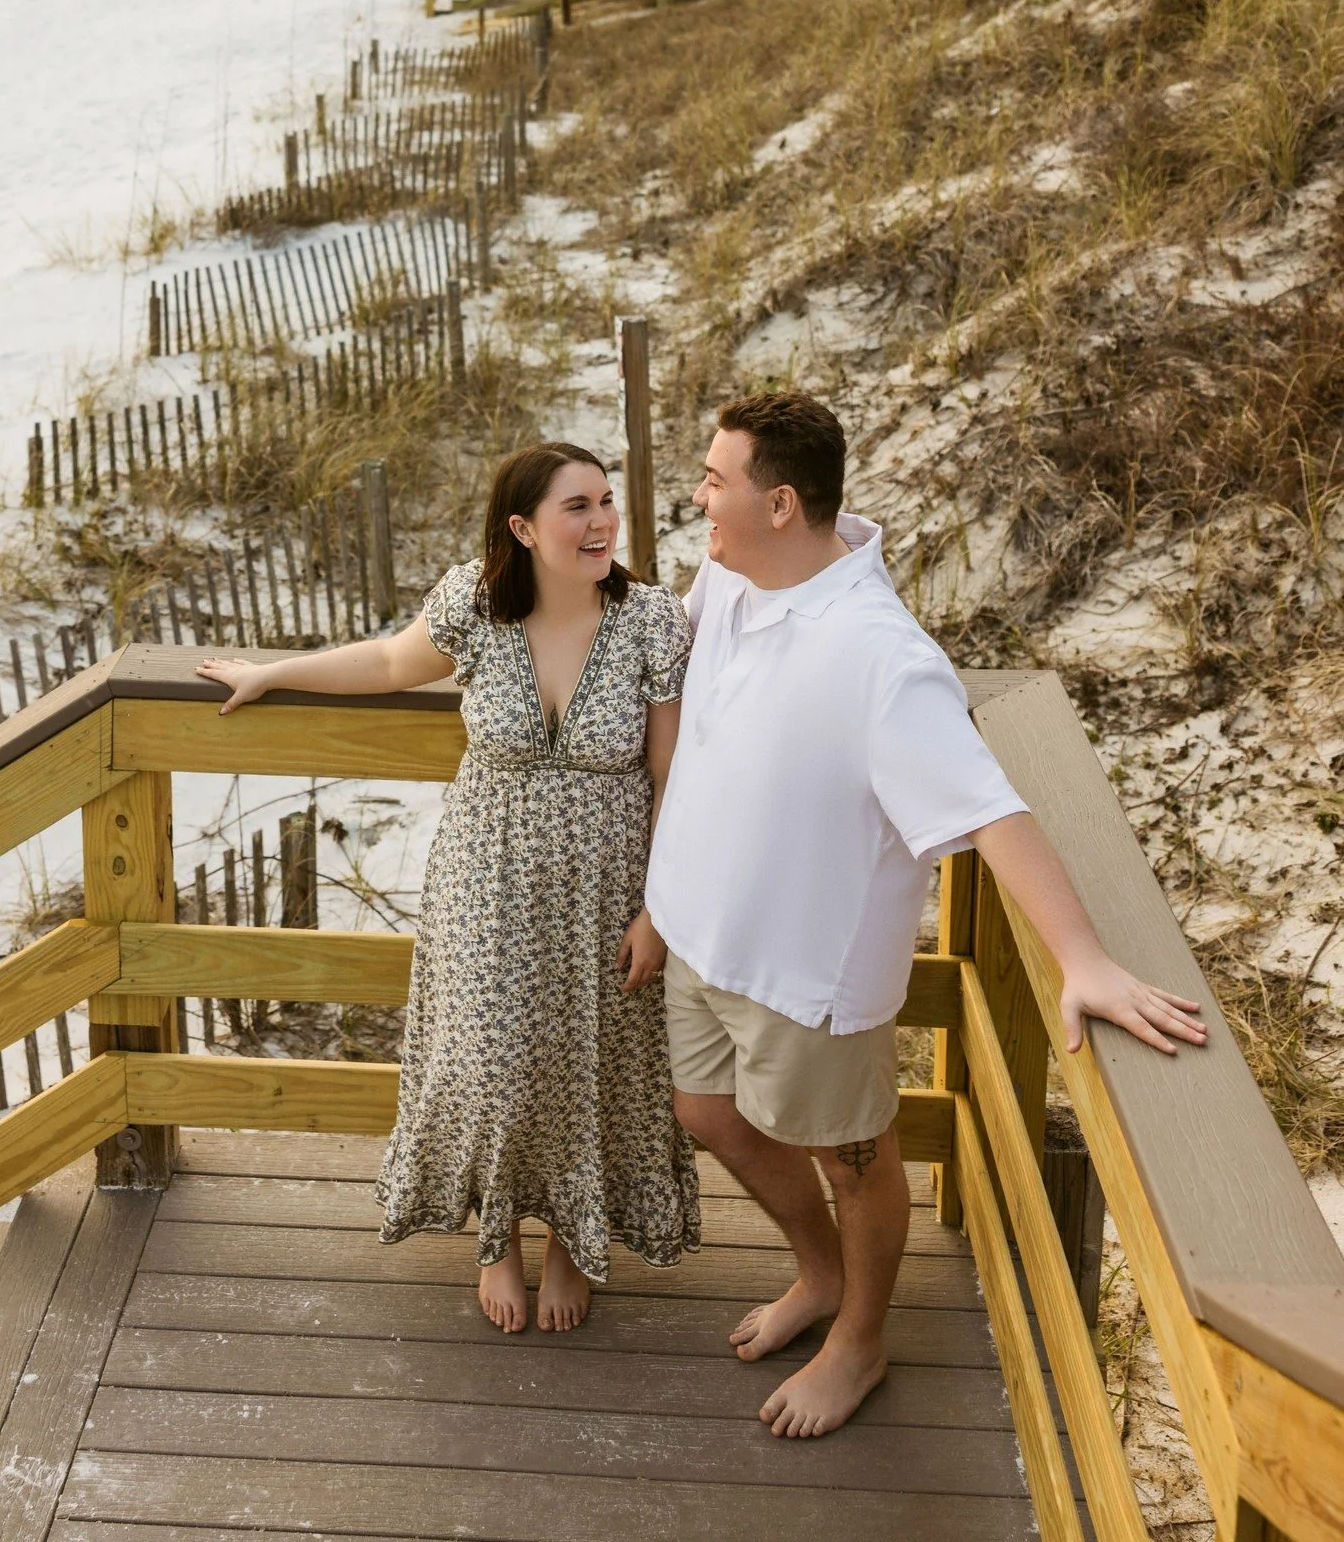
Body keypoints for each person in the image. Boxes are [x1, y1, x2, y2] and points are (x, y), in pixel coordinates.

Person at [637, 391, 1206, 1439]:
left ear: (781, 503)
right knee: (708, 1113)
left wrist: (1082, 956)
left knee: (855, 1161)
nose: (699, 499)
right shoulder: (728, 575)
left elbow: (989, 809)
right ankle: (819, 1275)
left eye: (715, 482)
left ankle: (861, 1339)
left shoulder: (883, 657)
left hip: (806, 970)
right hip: (698, 933)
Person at [197, 441, 700, 1335]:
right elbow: (389, 665)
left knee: (590, 1064)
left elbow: (670, 776)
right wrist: (272, 673)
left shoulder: (652, 620)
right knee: (490, 1062)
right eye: (577, 507)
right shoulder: (475, 603)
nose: (602, 524)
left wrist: (657, 910)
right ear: (523, 528)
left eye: (605, 502)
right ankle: (496, 1237)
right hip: (486, 880)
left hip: (607, 886)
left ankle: (570, 1241)